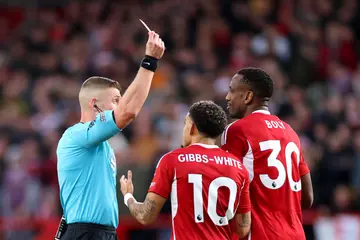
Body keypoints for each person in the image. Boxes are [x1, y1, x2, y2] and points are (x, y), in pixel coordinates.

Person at [56, 31, 165, 240]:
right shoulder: (76, 135)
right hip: (85, 233)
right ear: (93, 103)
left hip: (102, 233)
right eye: (115, 99)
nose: (119, 104)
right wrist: (150, 61)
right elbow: (128, 111)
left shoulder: (101, 144)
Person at [120, 100, 251, 240]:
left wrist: (128, 196)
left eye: (185, 124)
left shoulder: (173, 160)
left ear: (192, 127)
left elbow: (145, 216)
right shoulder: (238, 167)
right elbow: (243, 229)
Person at [221, 67, 314, 240]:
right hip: (295, 235)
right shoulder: (290, 133)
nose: (227, 97)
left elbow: (226, 189)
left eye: (232, 90)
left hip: (260, 234)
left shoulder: (237, 130)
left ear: (248, 96)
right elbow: (307, 198)